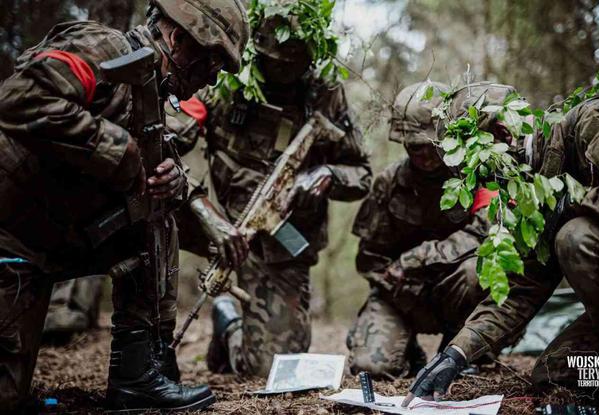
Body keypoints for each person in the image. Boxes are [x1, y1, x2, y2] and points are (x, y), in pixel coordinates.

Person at [0, 0, 249, 412]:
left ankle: (140, 372)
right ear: (179, 39)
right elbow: (20, 99)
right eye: (211, 62)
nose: (211, 78)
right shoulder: (106, 48)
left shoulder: (150, 94)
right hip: (11, 245)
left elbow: (155, 169)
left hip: (48, 243)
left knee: (156, 214)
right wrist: (123, 153)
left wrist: (173, 180)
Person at [402, 83, 599, 412]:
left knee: (574, 237)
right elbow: (523, 287)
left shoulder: (595, 120)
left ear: (502, 134)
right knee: (555, 373)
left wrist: (576, 203)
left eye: (483, 171)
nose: (487, 185)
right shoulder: (540, 187)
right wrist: (457, 353)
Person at [196, 12, 372, 377]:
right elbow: (179, 146)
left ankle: (229, 326)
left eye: (295, 65)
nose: (285, 74)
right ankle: (230, 318)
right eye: (276, 64)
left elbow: (362, 174)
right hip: (226, 232)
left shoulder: (325, 92)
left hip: (285, 244)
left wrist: (328, 174)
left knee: (274, 370)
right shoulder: (226, 80)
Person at [346, 82, 488, 378]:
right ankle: (407, 348)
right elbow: (369, 259)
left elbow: (486, 236)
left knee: (477, 272)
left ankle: (461, 349)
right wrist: (398, 284)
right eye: (414, 147)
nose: (424, 155)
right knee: (370, 367)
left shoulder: (476, 176)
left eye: (432, 145)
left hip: (454, 295)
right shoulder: (389, 183)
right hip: (403, 298)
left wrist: (414, 261)